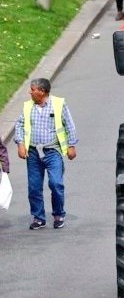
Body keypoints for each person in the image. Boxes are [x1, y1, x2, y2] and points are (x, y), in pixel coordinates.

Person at [13, 78, 78, 230]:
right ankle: (39, 217)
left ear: (42, 91)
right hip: (33, 153)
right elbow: (20, 125)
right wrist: (20, 144)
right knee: (34, 187)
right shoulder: (28, 107)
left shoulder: (58, 105)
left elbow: (69, 124)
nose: (30, 92)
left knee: (56, 184)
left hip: (52, 151)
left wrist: (71, 145)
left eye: (32, 89)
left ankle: (58, 215)